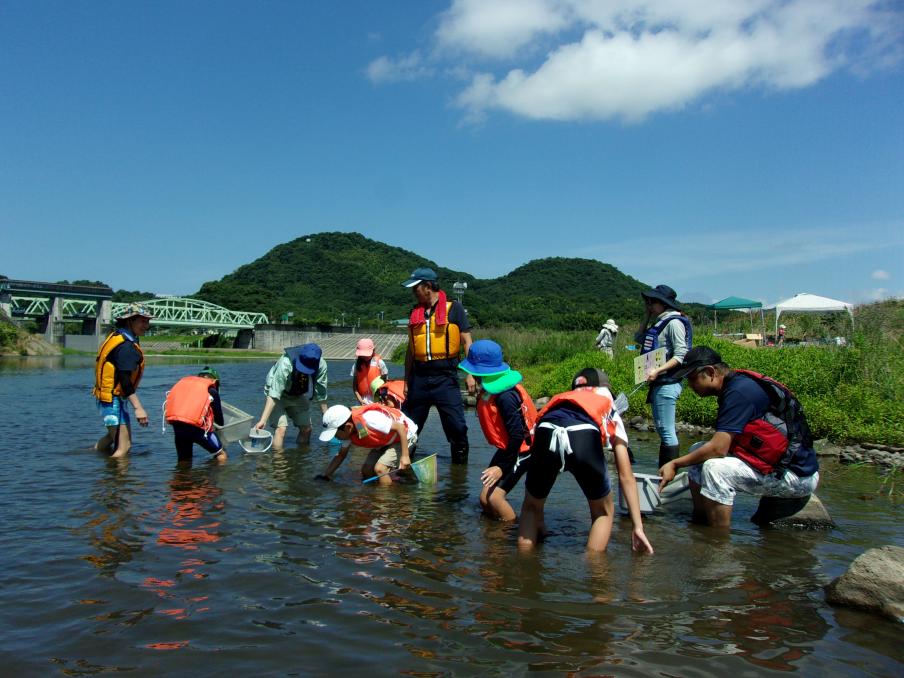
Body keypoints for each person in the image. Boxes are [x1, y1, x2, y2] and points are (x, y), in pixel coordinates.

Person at [658, 347, 820, 528]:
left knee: (714, 469)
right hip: (776, 465)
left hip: (796, 477)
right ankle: (699, 523)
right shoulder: (734, 386)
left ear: (711, 372)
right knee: (696, 451)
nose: (690, 385)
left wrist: (675, 463)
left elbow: (718, 449)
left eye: (693, 378)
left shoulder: (738, 393)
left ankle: (717, 542)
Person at [518, 368, 654, 554]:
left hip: (546, 429)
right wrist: (637, 526)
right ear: (603, 388)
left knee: (531, 507)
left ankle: (524, 567)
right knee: (603, 512)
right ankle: (595, 574)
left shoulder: (563, 399)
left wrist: (537, 515)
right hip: (583, 434)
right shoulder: (606, 401)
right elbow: (626, 475)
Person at [401, 267, 474, 464]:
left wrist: (470, 374)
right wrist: (406, 381)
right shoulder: (414, 313)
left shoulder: (455, 309)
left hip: (446, 377)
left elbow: (467, 341)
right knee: (408, 426)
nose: (413, 292)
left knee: (457, 427)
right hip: (419, 378)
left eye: (415, 287)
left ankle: (459, 475)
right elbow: (410, 350)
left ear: (427, 287)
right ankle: (403, 467)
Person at [459, 339, 537, 521]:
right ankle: (492, 537)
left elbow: (517, 435)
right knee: (484, 500)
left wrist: (502, 468)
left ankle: (510, 539)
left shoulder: (506, 397)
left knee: (494, 499)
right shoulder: (492, 387)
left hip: (523, 450)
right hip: (508, 448)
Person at [635, 284, 692, 468]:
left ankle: (668, 474)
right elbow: (638, 338)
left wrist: (657, 371)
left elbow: (681, 354)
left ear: (663, 303)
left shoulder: (674, 322)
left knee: (667, 431)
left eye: (652, 302)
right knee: (661, 429)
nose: (649, 305)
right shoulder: (660, 322)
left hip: (667, 382)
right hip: (659, 383)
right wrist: (647, 315)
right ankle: (664, 472)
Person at [93, 302, 153, 458]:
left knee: (112, 438)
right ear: (130, 320)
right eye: (142, 321)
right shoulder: (126, 346)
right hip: (113, 401)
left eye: (148, 321)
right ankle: (115, 481)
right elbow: (124, 381)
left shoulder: (117, 336)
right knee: (124, 447)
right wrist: (138, 408)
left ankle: (90, 457)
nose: (146, 325)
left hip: (107, 399)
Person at [316, 403, 417, 485]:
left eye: (335, 434)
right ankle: (379, 489)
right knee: (366, 470)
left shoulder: (370, 419)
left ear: (348, 427)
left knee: (380, 469)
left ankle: (387, 502)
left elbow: (401, 428)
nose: (335, 437)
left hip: (405, 436)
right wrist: (326, 476)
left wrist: (405, 456)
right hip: (385, 441)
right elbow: (341, 456)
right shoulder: (348, 432)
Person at [254, 343, 328, 450]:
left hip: (296, 393)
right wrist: (263, 420)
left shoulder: (321, 365)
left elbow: (321, 392)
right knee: (281, 429)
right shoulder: (286, 362)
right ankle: (278, 463)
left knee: (307, 429)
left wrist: (326, 416)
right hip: (276, 394)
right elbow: (274, 393)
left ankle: (300, 459)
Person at [164, 367, 226, 463]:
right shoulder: (211, 391)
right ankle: (218, 476)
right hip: (198, 430)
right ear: (215, 381)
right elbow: (220, 422)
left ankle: (181, 477)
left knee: (184, 460)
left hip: (179, 428)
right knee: (221, 454)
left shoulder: (186, 386)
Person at [350, 338, 388, 404]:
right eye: (363, 355)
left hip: (378, 400)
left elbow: (386, 384)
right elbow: (354, 387)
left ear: (373, 350)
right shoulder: (356, 365)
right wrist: (360, 400)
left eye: (367, 354)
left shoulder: (380, 363)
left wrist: (383, 399)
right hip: (362, 400)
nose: (365, 357)